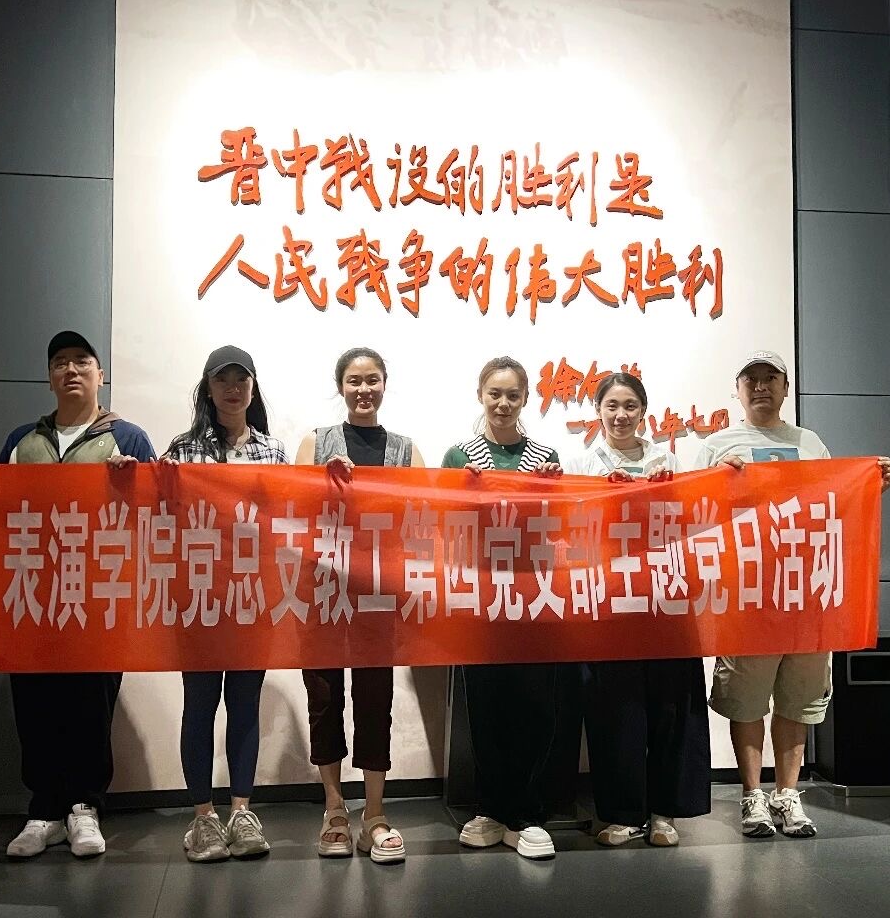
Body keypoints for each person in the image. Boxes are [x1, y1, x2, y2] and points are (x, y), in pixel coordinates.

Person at [0, 331, 156, 859]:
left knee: (91, 703)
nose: (70, 370)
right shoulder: (22, 441)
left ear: (100, 375)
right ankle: (44, 810)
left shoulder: (129, 439)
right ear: (49, 377)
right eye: (59, 362)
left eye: (81, 361)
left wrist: (135, 484)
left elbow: (158, 512)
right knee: (35, 703)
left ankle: (85, 807)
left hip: (98, 597)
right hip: (31, 595)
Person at [694, 350, 890, 839]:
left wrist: (871, 488)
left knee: (798, 700)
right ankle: (752, 795)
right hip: (746, 594)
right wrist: (718, 480)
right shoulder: (717, 446)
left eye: (771, 378)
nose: (761, 387)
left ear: (786, 388)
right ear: (737, 390)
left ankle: (788, 794)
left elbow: (832, 505)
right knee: (747, 701)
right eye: (751, 379)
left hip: (804, 593)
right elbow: (696, 513)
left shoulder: (809, 443)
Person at [566, 372, 712, 848]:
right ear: (598, 411)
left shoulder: (667, 461)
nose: (620, 415)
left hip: (665, 601)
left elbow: (691, 522)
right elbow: (568, 529)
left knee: (671, 707)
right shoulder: (580, 464)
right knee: (615, 711)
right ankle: (621, 813)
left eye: (630, 405)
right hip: (608, 602)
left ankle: (664, 812)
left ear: (643, 411)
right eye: (611, 405)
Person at [294, 347, 425, 864]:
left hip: (378, 593)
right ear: (340, 387)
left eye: (372, 380)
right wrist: (318, 483)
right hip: (323, 591)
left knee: (375, 699)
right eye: (354, 380)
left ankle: (374, 814)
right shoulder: (315, 442)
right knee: (324, 698)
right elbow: (291, 511)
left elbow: (423, 513)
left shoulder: (406, 449)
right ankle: (334, 810)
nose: (364, 389)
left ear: (384, 385)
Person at [162, 346, 285, 863]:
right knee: (199, 704)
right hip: (198, 597)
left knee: (244, 704)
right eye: (222, 380)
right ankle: (203, 818)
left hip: (252, 597)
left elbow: (286, 519)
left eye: (241, 380)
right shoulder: (182, 449)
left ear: (253, 388)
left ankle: (241, 812)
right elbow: (159, 512)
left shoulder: (272, 452)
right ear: (207, 389)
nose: (233, 389)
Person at [442, 356, 564, 861]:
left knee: (534, 707)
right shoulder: (460, 455)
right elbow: (443, 525)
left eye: (513, 395)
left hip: (534, 597)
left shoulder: (544, 457)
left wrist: (554, 489)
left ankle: (526, 814)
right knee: (486, 707)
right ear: (480, 395)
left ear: (526, 399)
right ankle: (491, 809)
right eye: (495, 393)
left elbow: (557, 530)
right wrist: (462, 491)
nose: (503, 403)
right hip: (481, 599)